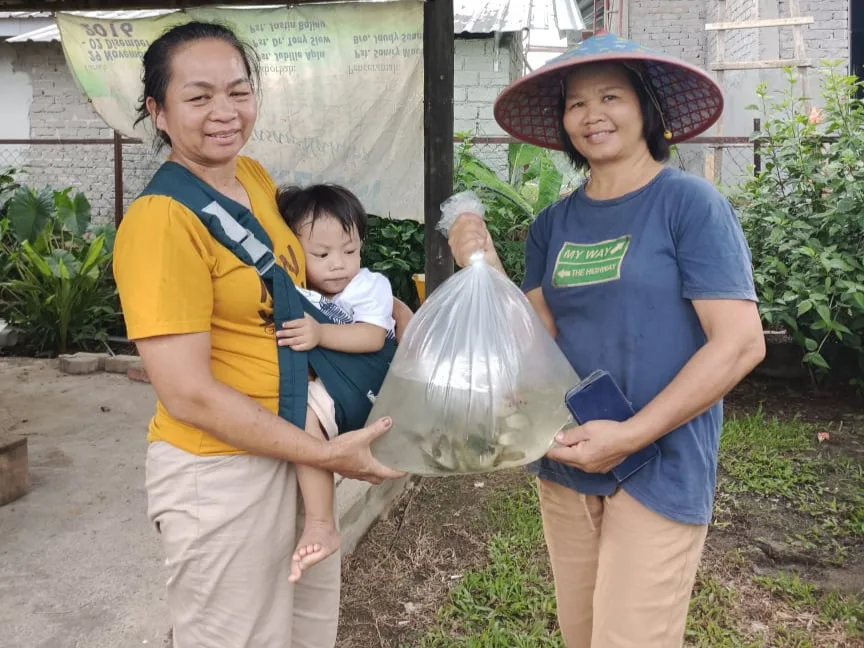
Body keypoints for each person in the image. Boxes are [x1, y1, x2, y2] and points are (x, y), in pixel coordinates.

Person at [447, 32, 766, 647]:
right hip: (568, 458)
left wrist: (630, 434)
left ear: (647, 108)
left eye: (611, 96)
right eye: (576, 104)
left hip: (659, 463)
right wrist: (481, 267)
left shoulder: (689, 205)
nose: (592, 116)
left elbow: (739, 343)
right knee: (583, 633)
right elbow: (534, 340)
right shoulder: (553, 224)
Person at [112, 21, 407, 648]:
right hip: (222, 473)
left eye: (238, 91)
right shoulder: (161, 221)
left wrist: (389, 314)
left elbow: (299, 288)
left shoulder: (253, 177)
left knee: (306, 634)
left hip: (295, 449)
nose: (225, 112)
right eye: (198, 97)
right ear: (157, 112)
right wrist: (325, 454)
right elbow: (187, 393)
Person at [273, 183, 396, 582]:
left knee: (302, 418)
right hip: (333, 390)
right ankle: (322, 520)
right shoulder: (297, 290)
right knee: (302, 418)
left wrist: (320, 335)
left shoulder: (370, 286)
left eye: (350, 250)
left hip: (370, 382)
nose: (339, 264)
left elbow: (373, 337)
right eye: (321, 254)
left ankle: (322, 520)